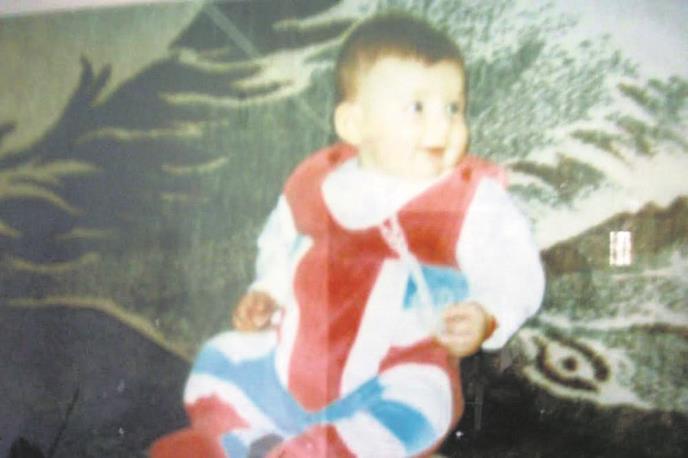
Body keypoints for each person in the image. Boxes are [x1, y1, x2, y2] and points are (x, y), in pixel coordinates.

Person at [151, 11, 544, 458]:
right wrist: (268, 289)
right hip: (289, 365)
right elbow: (280, 240)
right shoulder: (316, 181)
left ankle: (302, 450)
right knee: (220, 358)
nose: (443, 125)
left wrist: (487, 315)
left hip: (393, 377)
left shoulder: (468, 200)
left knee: (421, 408)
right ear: (355, 124)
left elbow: (516, 269)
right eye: (418, 108)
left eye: (453, 108)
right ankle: (231, 440)